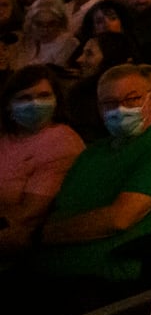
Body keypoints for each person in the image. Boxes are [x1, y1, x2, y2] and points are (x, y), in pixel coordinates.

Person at [36, 64, 151, 285]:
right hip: (46, 263)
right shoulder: (94, 152)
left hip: (100, 272)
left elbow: (120, 218)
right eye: (109, 103)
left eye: (132, 99)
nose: (120, 109)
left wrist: (38, 236)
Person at [0, 66, 86, 255]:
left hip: (18, 242)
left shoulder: (60, 143)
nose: (35, 104)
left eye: (44, 96)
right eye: (24, 98)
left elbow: (29, 214)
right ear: (8, 104)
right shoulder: (8, 136)